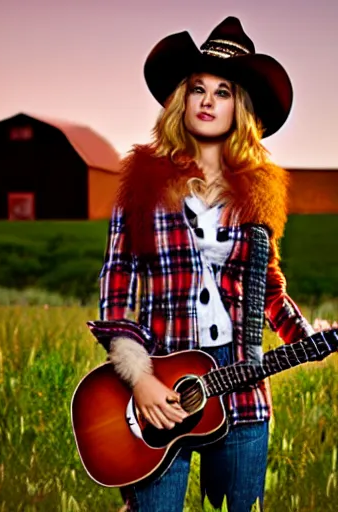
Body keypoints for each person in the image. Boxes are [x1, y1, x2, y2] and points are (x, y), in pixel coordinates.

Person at [87, 16, 314, 512]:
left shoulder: (258, 195)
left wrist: (307, 336)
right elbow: (118, 288)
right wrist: (140, 378)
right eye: (198, 88)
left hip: (242, 392)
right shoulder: (144, 185)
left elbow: (268, 290)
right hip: (161, 388)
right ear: (181, 100)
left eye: (224, 91)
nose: (209, 101)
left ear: (242, 107)